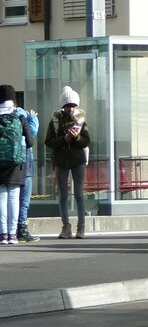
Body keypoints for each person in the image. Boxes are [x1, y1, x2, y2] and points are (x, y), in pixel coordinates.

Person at [45, 86, 90, 240]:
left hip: (78, 160)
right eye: (68, 105)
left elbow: (86, 141)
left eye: (73, 105)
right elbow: (48, 141)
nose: (71, 108)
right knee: (63, 196)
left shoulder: (81, 120)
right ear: (63, 106)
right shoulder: (55, 121)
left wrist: (76, 137)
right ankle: (66, 226)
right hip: (61, 161)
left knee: (79, 194)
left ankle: (81, 226)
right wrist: (64, 139)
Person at [0, 85, 33, 246]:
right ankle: (13, 235)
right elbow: (30, 142)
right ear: (13, 99)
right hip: (16, 163)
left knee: (2, 197)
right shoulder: (19, 117)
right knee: (13, 197)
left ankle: (3, 234)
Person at [14, 99, 39, 243]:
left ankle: (7, 230)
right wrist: (33, 118)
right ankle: (22, 229)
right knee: (24, 200)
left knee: (9, 198)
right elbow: (32, 132)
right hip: (26, 165)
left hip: (9, 165)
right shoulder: (21, 113)